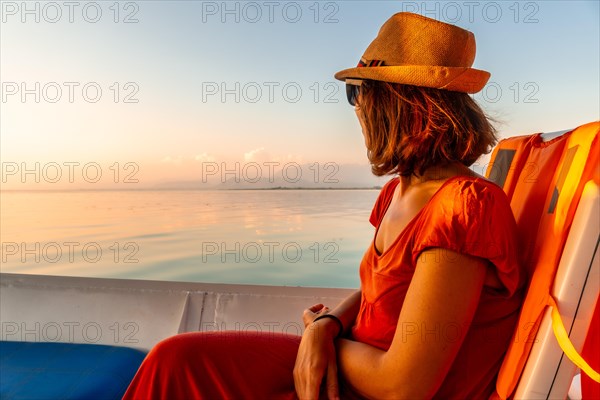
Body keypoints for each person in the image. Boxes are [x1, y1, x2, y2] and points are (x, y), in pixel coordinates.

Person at [123, 12, 525, 400]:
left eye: (357, 90)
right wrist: (327, 325)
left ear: (398, 102)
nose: (357, 107)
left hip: (368, 388)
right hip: (348, 364)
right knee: (175, 360)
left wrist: (324, 342)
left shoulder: (464, 207)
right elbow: (375, 294)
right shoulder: (398, 192)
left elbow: (402, 387)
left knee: (178, 366)